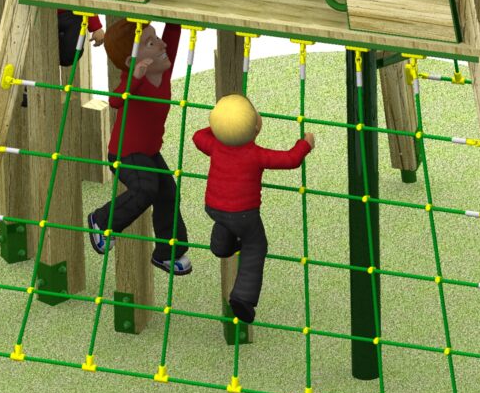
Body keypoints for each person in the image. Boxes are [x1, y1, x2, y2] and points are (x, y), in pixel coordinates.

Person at [190, 92, 314, 340]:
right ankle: (243, 298)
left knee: (225, 224)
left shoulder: (214, 145)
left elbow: (197, 136)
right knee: (256, 245)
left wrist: (220, 125)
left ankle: (221, 247)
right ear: (256, 127)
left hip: (214, 207)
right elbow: (290, 160)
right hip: (244, 214)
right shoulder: (255, 155)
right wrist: (306, 144)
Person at [86, 18, 192, 277]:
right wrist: (134, 77)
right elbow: (115, 101)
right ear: (132, 58)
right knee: (146, 188)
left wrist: (172, 15)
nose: (162, 45)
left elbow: (173, 34)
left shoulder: (163, 70)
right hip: (125, 152)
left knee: (168, 191)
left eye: (157, 39)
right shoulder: (134, 81)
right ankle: (102, 221)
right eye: (151, 42)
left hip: (150, 152)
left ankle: (168, 252)